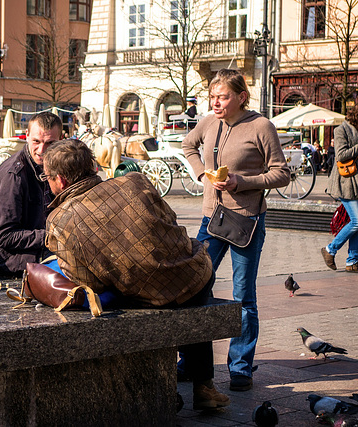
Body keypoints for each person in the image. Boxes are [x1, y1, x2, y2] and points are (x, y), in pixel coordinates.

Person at [42, 139, 229, 411]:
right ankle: (204, 385)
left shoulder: (59, 220)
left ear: (59, 180)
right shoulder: (135, 181)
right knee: (193, 280)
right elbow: (171, 221)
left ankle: (178, 382)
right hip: (191, 277)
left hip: (141, 296)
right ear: (92, 167)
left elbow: (86, 281)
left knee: (138, 289)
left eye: (47, 177)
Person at [182, 69, 290, 392]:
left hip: (246, 221)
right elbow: (188, 145)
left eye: (223, 97)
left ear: (241, 97)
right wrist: (202, 175)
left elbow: (282, 173)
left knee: (243, 295)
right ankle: (190, 362)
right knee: (193, 286)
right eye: (212, 97)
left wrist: (241, 182)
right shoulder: (208, 122)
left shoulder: (261, 126)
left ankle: (240, 367)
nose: (215, 103)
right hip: (210, 219)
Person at [0, 111, 62, 277]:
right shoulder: (13, 176)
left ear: (61, 140)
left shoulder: (50, 167)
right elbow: (4, 236)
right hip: (8, 260)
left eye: (50, 143)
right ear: (26, 136)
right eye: (36, 142)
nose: (42, 150)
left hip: (37, 250)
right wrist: (51, 237)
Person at [322, 106, 358, 272]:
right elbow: (341, 155)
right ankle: (330, 249)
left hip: (356, 183)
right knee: (357, 221)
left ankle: (352, 261)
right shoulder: (341, 130)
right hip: (345, 183)